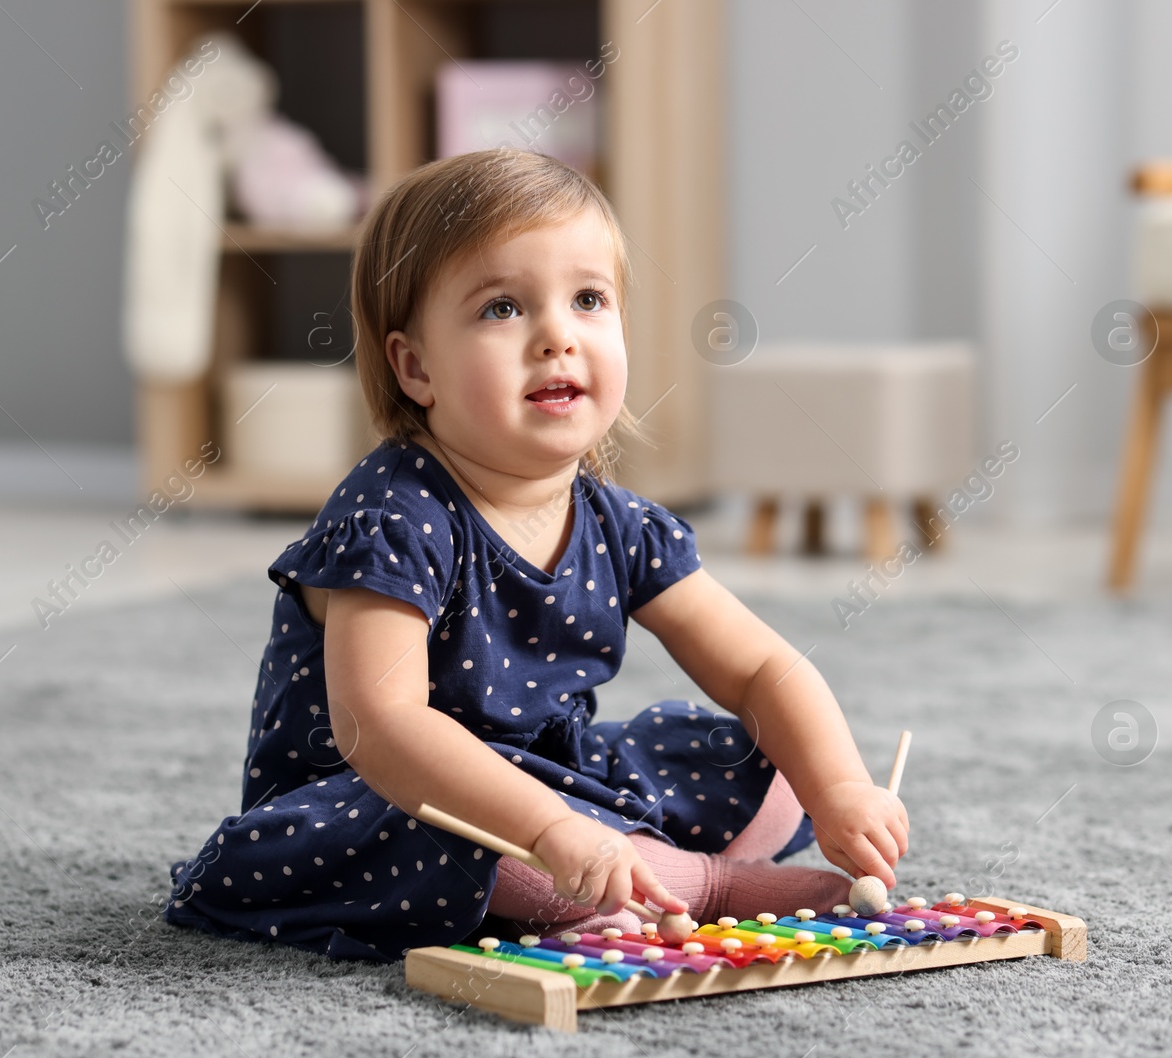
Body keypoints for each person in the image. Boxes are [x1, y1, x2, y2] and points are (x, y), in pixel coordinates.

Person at [163, 148, 908, 963]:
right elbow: (380, 725)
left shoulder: (620, 521)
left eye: (589, 299)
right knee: (478, 839)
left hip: (556, 777)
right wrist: (550, 828)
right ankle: (707, 886)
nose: (558, 335)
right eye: (502, 309)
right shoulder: (394, 517)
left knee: (777, 754)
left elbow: (762, 668)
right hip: (381, 802)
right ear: (415, 367)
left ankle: (630, 873)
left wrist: (838, 788)